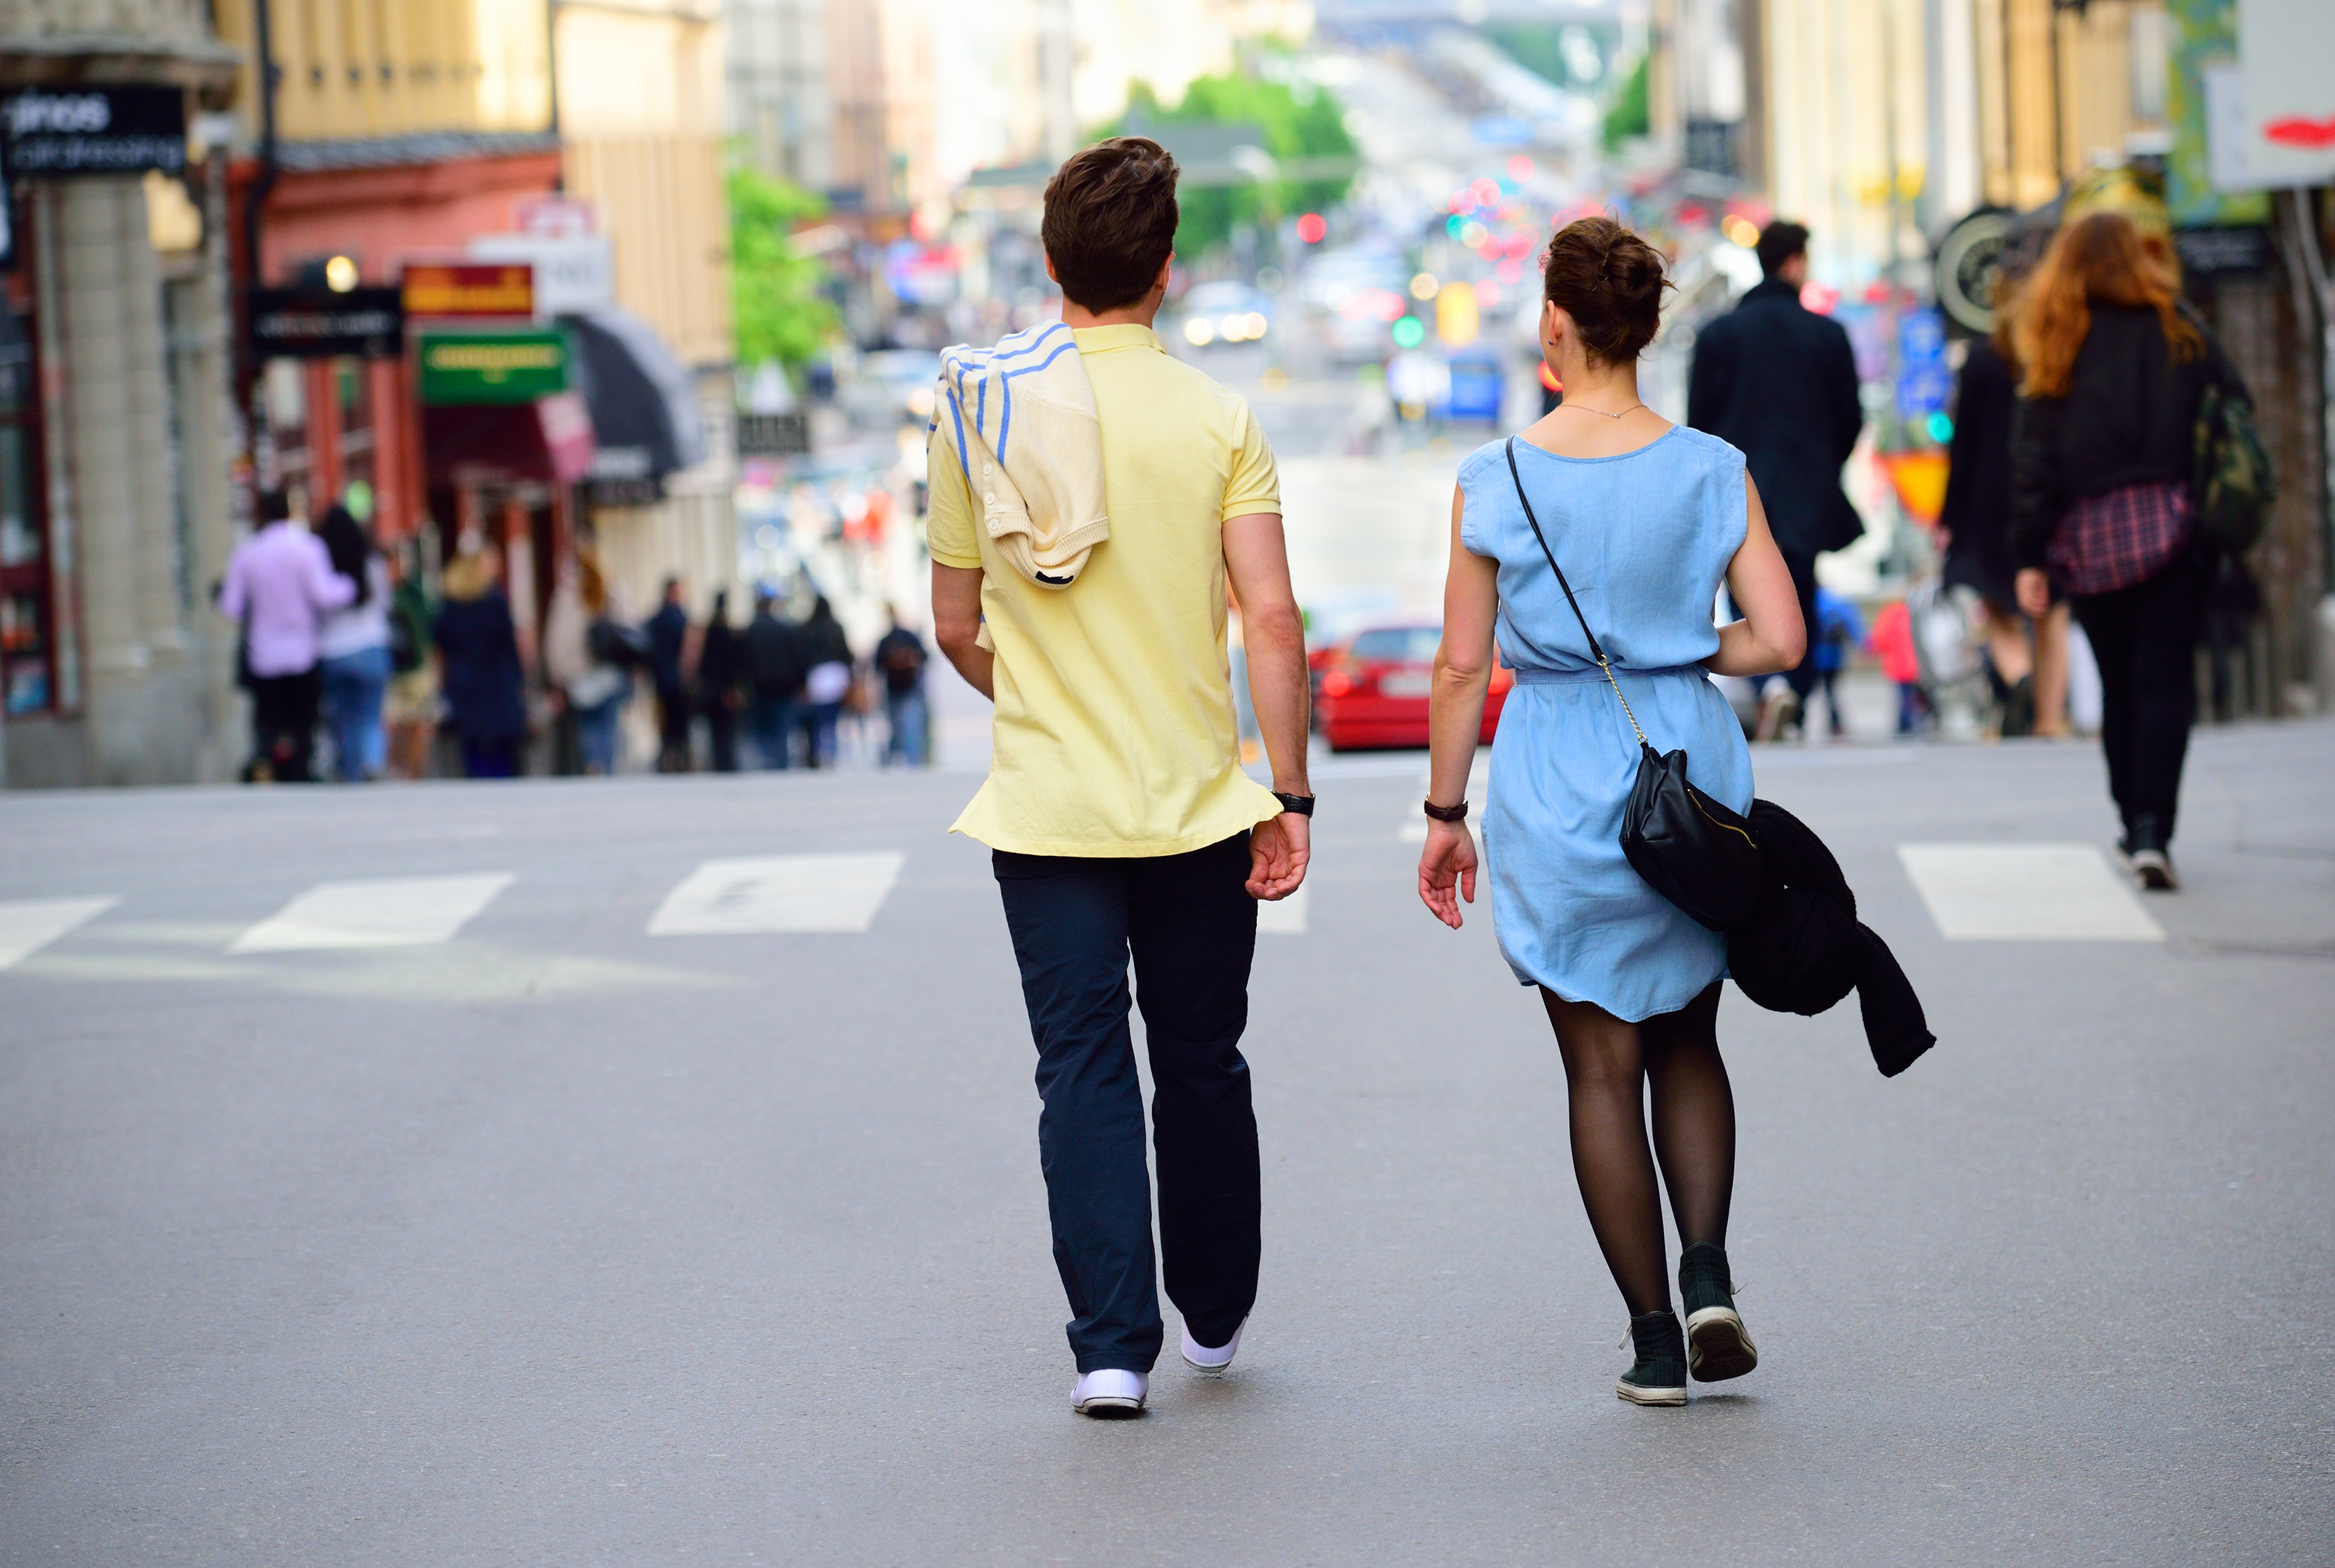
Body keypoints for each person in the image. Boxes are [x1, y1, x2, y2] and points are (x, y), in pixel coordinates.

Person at [928, 136, 1311, 1419]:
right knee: (1201, 1056)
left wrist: (1031, 699)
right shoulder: (1217, 419)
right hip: (1199, 804)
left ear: (1050, 267)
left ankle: (1109, 1347)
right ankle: (1213, 1312)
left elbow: (951, 620)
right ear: (1166, 274)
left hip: (1049, 809)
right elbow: (1270, 619)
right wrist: (1289, 793)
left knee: (1080, 1065)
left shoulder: (977, 407)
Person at [1417, 216, 1806, 1408]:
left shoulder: (1496, 480)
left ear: (1554, 327)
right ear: (1644, 329)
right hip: (1682, 760)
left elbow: (1460, 669)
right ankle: (1710, 1280)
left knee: (1601, 1069)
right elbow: (1783, 637)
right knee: (1691, 1032)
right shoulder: (1710, 466)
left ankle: (1650, 1339)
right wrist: (1688, 647)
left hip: (1555, 769)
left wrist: (1445, 812)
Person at [2010, 210, 2247, 892]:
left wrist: (2031, 555)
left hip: (2092, 543)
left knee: (2120, 685)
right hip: (2176, 529)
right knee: (2166, 679)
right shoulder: (2178, 327)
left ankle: (2129, 820)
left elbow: (2034, 461)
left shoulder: (2059, 340)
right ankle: (2154, 831)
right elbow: (2235, 403)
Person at [1687, 219, 1863, 741]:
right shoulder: (1827, 335)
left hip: (1741, 483)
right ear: (1795, 263)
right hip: (1808, 486)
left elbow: (1699, 421)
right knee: (1800, 586)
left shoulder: (1719, 334)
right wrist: (1827, 463)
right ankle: (1792, 689)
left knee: (1747, 583)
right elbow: (1850, 417)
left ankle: (1773, 688)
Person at [1940, 291, 2070, 738]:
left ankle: (2018, 675)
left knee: (1996, 604)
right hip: (2052, 491)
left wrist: (1950, 515)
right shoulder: (2060, 354)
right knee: (2052, 609)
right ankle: (2049, 719)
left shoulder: (1981, 362)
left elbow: (1964, 445)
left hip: (1988, 499)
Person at [217, 488, 357, 783]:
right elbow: (325, 594)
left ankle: (268, 768)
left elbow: (231, 605)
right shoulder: (308, 549)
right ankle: (300, 771)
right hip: (302, 651)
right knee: (304, 721)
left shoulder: (247, 553)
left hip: (264, 653)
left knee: (269, 721)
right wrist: (352, 586)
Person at [431, 544, 528, 778]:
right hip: (497, 683)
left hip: (464, 682)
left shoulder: (450, 606)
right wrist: (519, 680)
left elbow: (438, 642)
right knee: (501, 751)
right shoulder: (494, 602)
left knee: (473, 748)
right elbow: (509, 645)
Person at [314, 504, 393, 781]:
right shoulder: (371, 561)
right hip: (370, 644)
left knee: (344, 718)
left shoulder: (320, 563)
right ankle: (372, 761)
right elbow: (385, 603)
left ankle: (351, 771)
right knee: (371, 714)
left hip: (333, 650)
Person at [384, 542, 439, 778]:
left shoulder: (414, 593)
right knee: (393, 724)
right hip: (390, 670)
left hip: (415, 667)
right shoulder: (378, 594)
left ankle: (415, 774)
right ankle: (394, 770)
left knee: (418, 722)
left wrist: (432, 663)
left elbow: (427, 630)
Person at [743, 588, 804, 769]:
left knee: (762, 726)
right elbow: (797, 658)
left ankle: (767, 759)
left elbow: (744, 660)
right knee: (781, 726)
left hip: (759, 686)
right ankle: (780, 761)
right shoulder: (785, 629)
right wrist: (801, 682)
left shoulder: (752, 630)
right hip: (783, 686)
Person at [795, 595, 852, 768]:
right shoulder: (836, 627)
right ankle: (830, 754)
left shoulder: (807, 628)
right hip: (836, 676)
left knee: (817, 718)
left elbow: (802, 656)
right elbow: (845, 653)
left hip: (817, 677)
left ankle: (817, 753)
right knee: (832, 720)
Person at [646, 577, 693, 772]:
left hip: (661, 679)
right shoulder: (679, 618)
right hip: (677, 679)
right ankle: (680, 758)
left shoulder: (654, 620)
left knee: (666, 723)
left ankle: (669, 757)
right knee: (680, 723)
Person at [874, 608, 930, 766]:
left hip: (898, 687)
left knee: (899, 725)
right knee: (907, 724)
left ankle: (903, 758)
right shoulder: (908, 637)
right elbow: (924, 657)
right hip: (904, 687)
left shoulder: (886, 640)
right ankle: (911, 759)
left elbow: (877, 667)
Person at [697, 589, 744, 772]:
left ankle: (719, 762)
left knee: (716, 731)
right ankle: (727, 763)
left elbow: (702, 662)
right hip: (724, 689)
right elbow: (733, 664)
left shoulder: (708, 632)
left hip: (711, 688)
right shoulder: (728, 633)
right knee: (727, 730)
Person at [1810, 585, 1863, 738]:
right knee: (1831, 692)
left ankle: (1802, 722)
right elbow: (1853, 624)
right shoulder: (1837, 602)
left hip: (1817, 656)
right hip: (1835, 657)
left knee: (1816, 691)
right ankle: (1835, 723)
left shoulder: (1814, 600)